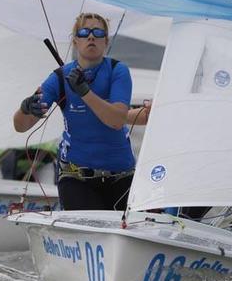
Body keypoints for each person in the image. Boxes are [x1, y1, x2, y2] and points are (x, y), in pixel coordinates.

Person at [13, 13, 138, 211]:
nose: (91, 37)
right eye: (84, 32)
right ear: (75, 40)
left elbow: (116, 120)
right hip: (77, 178)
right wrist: (25, 107)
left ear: (106, 41)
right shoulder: (60, 77)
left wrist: (85, 93)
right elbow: (21, 126)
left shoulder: (118, 71)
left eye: (98, 32)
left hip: (122, 177)